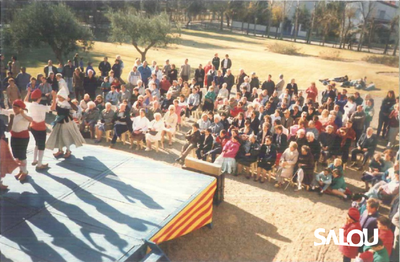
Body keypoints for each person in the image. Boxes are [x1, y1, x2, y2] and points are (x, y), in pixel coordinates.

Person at [46, 89, 85, 158]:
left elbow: (76, 108)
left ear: (64, 97)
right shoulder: (57, 101)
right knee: (58, 135)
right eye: (58, 97)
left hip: (66, 121)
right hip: (58, 120)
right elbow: (53, 107)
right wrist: (54, 97)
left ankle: (68, 150)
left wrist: (69, 101)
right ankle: (60, 150)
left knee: (65, 136)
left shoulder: (68, 103)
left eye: (60, 97)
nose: (59, 98)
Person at [0, 99, 33, 181]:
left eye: (16, 108)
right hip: (14, 136)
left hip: (23, 137)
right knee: (16, 155)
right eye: (13, 107)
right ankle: (21, 170)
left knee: (22, 155)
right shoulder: (11, 112)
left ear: (21, 108)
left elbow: (31, 119)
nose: (14, 109)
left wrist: (23, 114)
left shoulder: (25, 114)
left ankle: (24, 171)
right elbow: (3, 111)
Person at [23, 88, 52, 170]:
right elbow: (52, 108)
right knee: (41, 145)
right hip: (41, 128)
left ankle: (35, 160)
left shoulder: (30, 105)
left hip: (32, 127)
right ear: (39, 98)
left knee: (37, 143)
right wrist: (54, 96)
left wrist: (28, 93)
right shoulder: (41, 107)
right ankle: (39, 164)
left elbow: (25, 101)